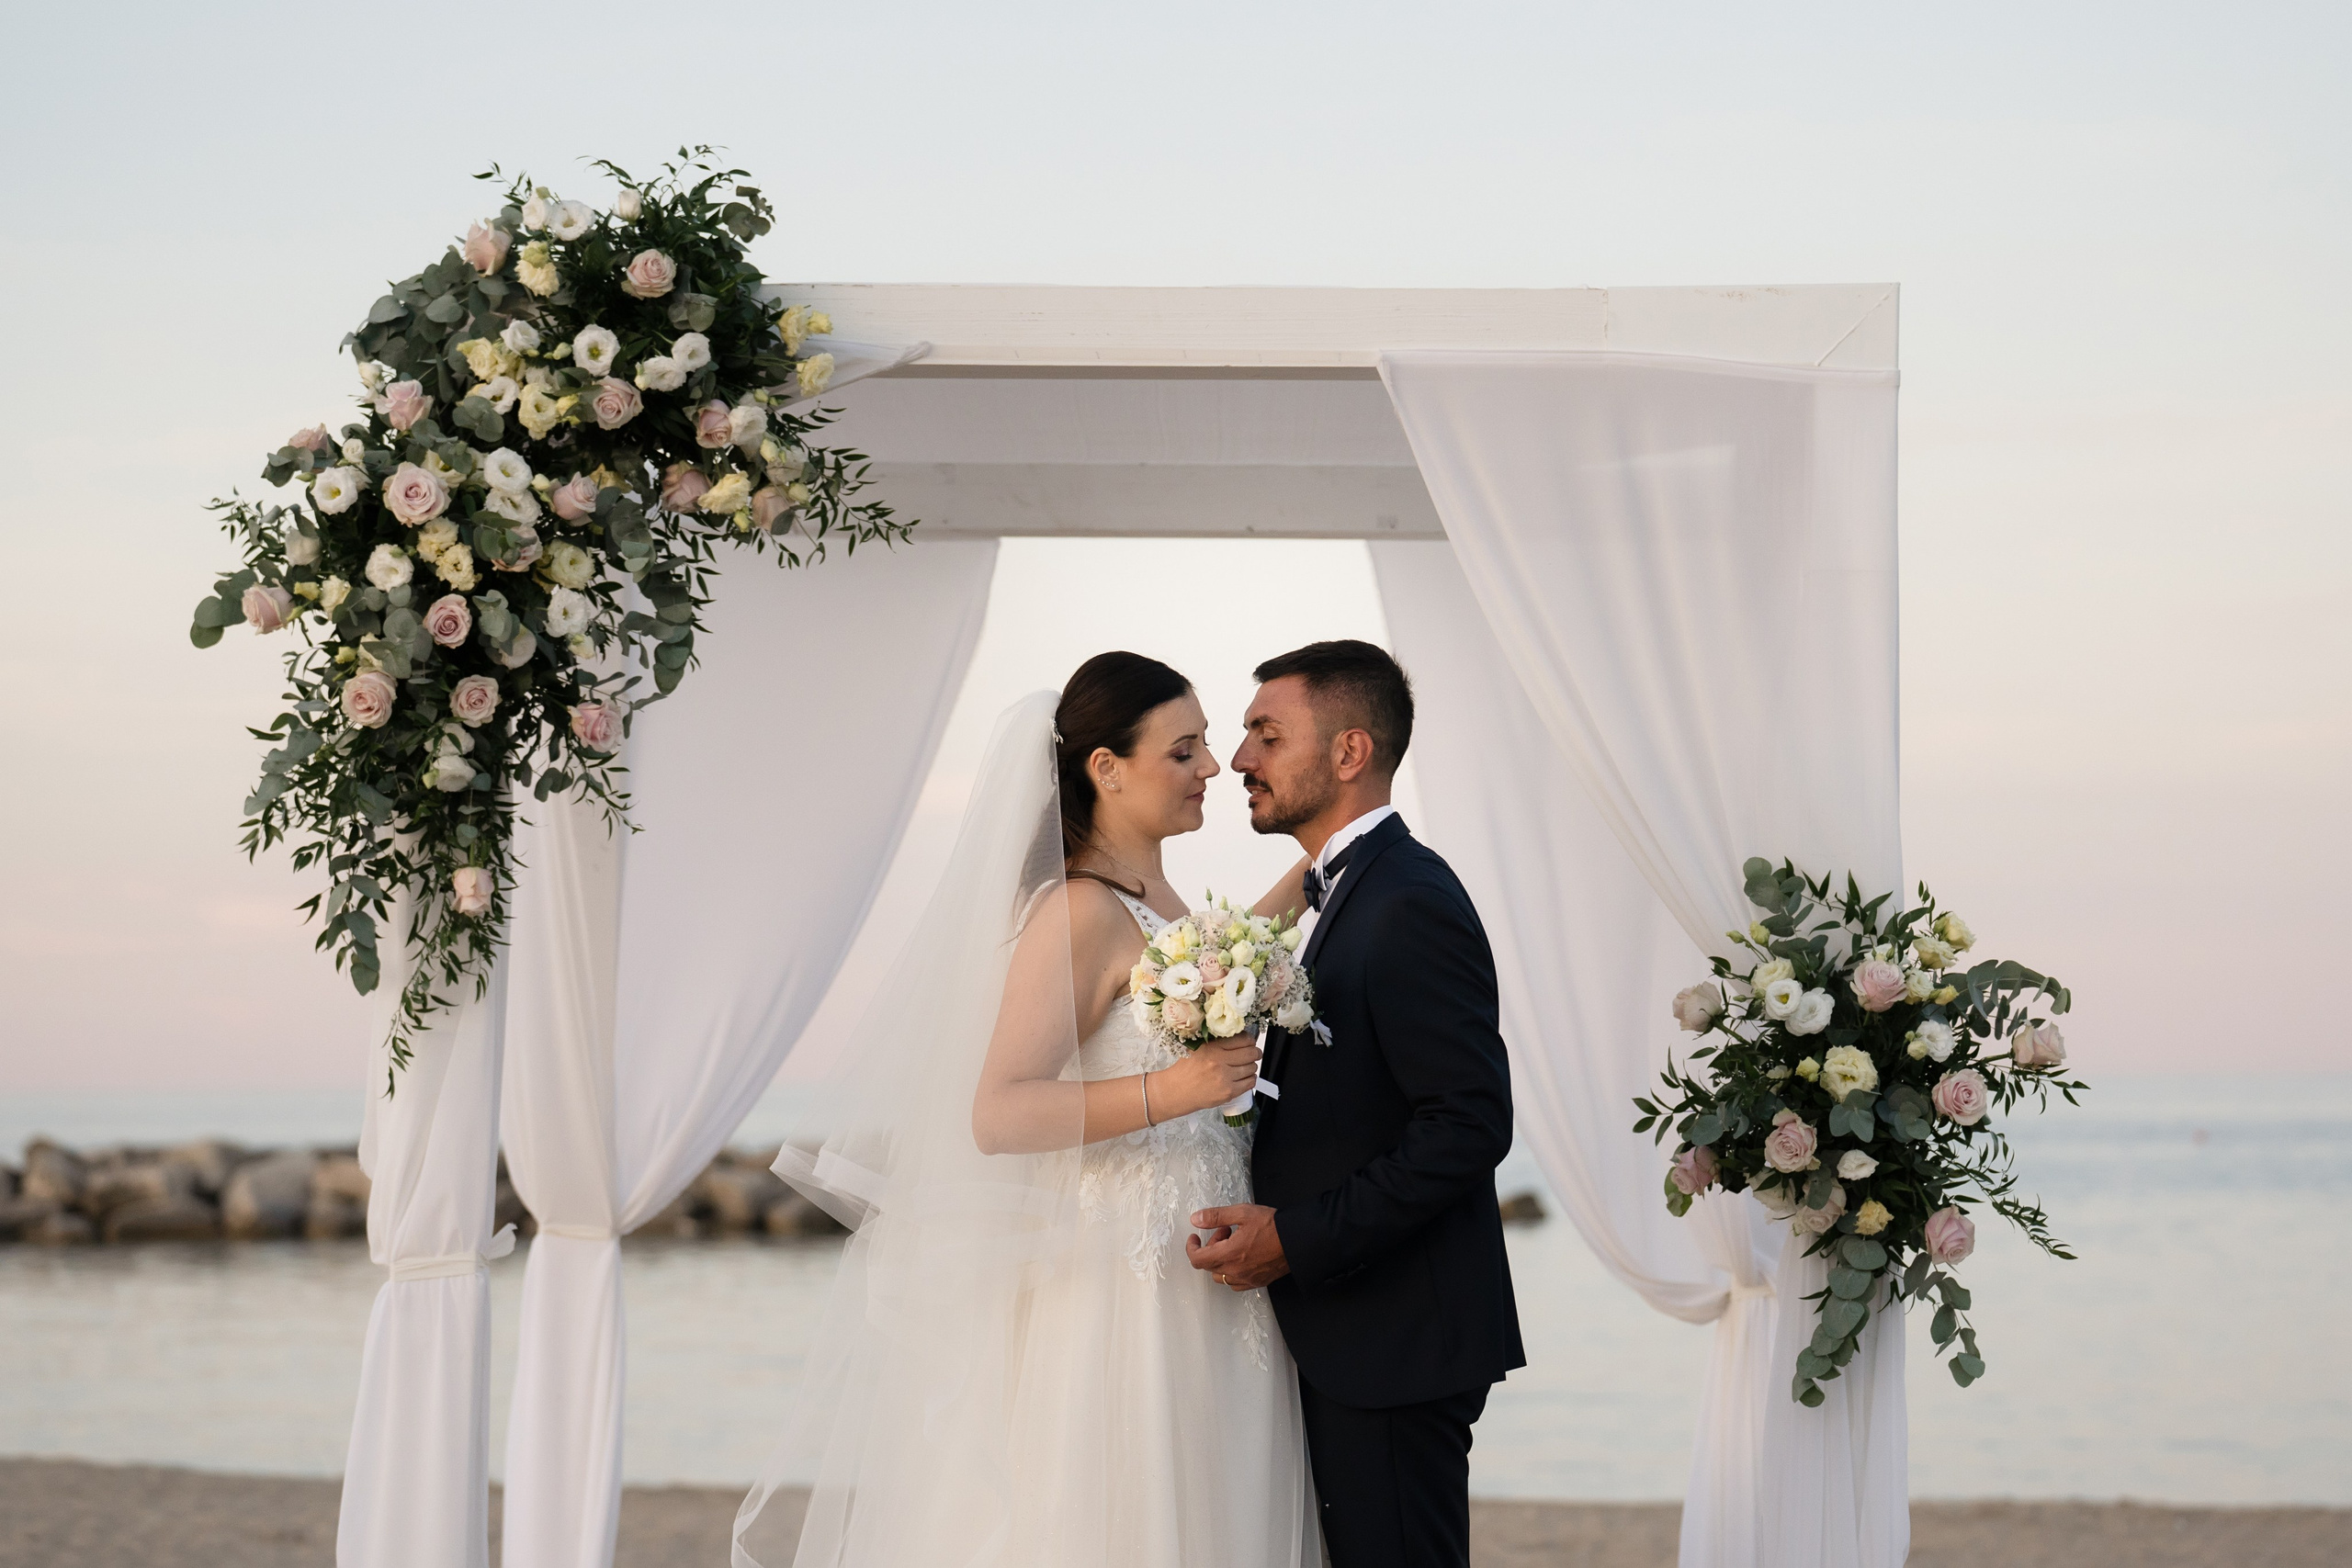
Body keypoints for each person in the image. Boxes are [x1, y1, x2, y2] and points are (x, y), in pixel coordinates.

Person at [735, 652, 1321, 1568]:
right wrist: (1173, 1091)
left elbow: (1211, 965)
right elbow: (999, 1114)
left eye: (1207, 748)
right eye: (1185, 750)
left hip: (1198, 1266)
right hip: (1119, 1283)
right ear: (1106, 767)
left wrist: (1316, 871)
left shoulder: (1150, 897)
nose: (1211, 767)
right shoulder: (1078, 912)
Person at [1186, 639, 1524, 1568]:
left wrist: (1294, 1236)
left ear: (1348, 752)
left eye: (1265, 732)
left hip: (1393, 1342)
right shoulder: (1344, 894)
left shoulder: (1408, 900)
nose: (1241, 758)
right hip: (1355, 1332)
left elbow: (1467, 1124)